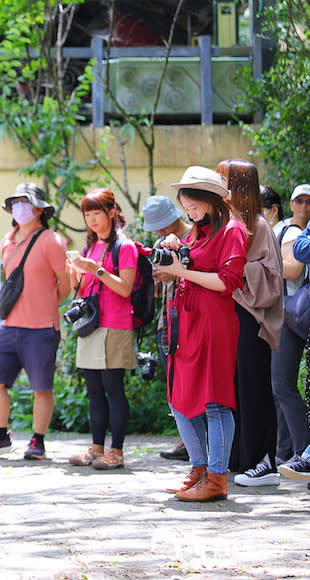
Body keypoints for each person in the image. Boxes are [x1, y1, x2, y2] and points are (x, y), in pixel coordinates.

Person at [158, 166, 248, 502]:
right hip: (187, 320)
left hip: (214, 322)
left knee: (215, 401)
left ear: (210, 201)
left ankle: (217, 478)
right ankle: (198, 470)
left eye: (194, 208)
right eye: (186, 209)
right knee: (179, 398)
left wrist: (181, 270)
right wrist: (172, 247)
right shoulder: (198, 232)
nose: (190, 214)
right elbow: (186, 264)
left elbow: (227, 282)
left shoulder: (232, 231)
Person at [0, 183, 69, 460]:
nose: (19, 207)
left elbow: (65, 284)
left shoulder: (52, 241)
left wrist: (47, 304)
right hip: (10, 325)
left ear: (40, 209)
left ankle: (37, 441)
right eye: (15, 202)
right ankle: (0, 435)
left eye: (25, 202)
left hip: (42, 328)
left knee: (41, 387)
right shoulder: (8, 241)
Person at [216, 159, 283, 487]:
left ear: (239, 185)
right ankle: (241, 458)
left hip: (251, 317)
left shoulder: (258, 224)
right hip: (230, 315)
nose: (218, 182)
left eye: (223, 178)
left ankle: (264, 461)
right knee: (234, 388)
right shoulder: (229, 222)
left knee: (253, 387)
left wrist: (234, 269)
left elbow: (271, 277)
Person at [65, 188, 137, 471]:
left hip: (116, 325)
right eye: (87, 214)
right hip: (91, 325)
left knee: (113, 388)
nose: (92, 219)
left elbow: (126, 288)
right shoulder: (89, 247)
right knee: (94, 390)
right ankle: (96, 448)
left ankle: (116, 452)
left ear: (111, 212)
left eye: (96, 212)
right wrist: (75, 277)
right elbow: (84, 291)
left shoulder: (125, 247)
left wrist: (96, 269)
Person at [141, 195, 192, 462]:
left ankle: (198, 443)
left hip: (191, 318)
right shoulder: (160, 242)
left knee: (192, 383)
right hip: (167, 320)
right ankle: (187, 441)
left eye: (163, 224)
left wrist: (172, 271)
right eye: (156, 227)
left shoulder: (194, 236)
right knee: (174, 386)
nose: (160, 231)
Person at [270, 184, 310, 467]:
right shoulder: (291, 230)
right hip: (288, 313)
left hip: (292, 314)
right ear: (291, 204)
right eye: (299, 201)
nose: (304, 207)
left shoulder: (291, 232)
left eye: (309, 201)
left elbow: (295, 268)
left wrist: (264, 264)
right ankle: (288, 451)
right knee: (279, 386)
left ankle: (301, 451)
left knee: (282, 384)